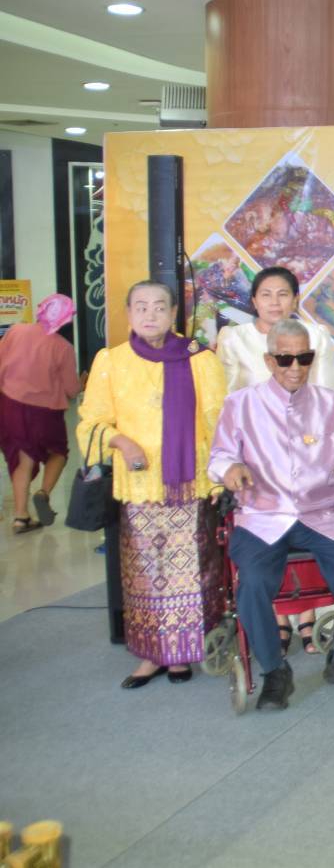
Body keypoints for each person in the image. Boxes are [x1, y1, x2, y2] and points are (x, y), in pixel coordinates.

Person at [208, 318, 334, 709]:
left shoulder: (332, 404)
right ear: (269, 361)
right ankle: (274, 670)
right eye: (285, 358)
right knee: (250, 580)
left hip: (319, 512)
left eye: (303, 358)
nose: (295, 367)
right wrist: (230, 470)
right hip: (262, 515)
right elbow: (220, 456)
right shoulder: (241, 405)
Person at [78, 281, 227, 688]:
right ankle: (149, 655)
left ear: (173, 312)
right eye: (140, 306)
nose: (149, 314)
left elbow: (218, 422)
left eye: (159, 307)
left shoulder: (199, 360)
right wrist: (121, 441)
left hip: (190, 483)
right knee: (143, 571)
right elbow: (90, 423)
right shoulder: (112, 362)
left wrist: (221, 477)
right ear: (128, 313)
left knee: (191, 571)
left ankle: (181, 653)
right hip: (140, 485)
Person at [213, 266, 334, 653]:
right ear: (253, 301)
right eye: (266, 295)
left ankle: (308, 618)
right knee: (268, 533)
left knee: (312, 521)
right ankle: (278, 620)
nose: (275, 302)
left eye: (283, 294)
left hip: (306, 447)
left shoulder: (316, 336)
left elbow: (327, 393)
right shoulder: (233, 340)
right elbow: (226, 398)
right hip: (257, 456)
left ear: (296, 300)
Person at [0, 293, 79, 532]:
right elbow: (71, 389)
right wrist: (82, 382)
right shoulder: (63, 348)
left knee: (22, 461)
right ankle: (43, 492)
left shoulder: (15, 331)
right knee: (58, 453)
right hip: (46, 413)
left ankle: (21, 517)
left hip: (10, 406)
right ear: (65, 321)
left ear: (40, 310)